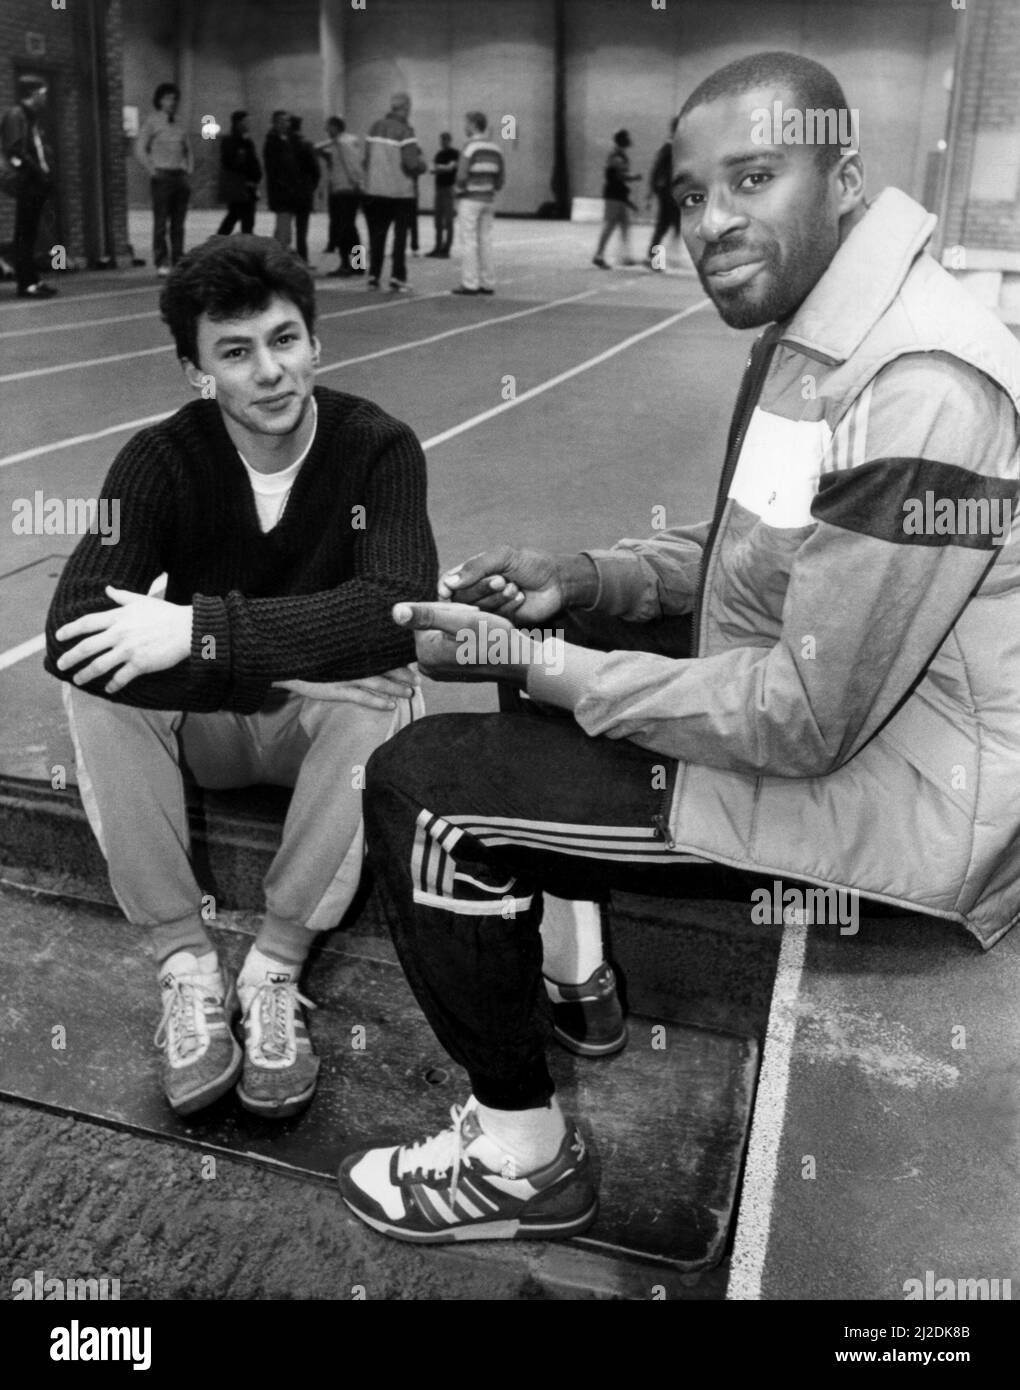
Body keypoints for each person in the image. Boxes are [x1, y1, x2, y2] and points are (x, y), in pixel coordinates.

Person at [336, 49, 1020, 1243]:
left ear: (846, 177)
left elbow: (803, 718)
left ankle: (522, 1159)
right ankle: (574, 964)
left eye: (752, 179)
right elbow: (761, 550)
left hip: (904, 798)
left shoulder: (919, 384)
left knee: (423, 791)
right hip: (846, 724)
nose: (711, 222)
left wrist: (531, 666)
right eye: (694, 193)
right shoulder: (821, 327)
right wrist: (591, 581)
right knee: (566, 615)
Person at [44, 235, 438, 1122]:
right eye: (235, 351)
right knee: (94, 681)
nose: (270, 371)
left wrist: (197, 632)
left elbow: (397, 609)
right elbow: (70, 633)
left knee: (389, 690)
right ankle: (185, 967)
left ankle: (273, 972)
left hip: (323, 737)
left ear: (316, 344)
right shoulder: (158, 461)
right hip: (215, 733)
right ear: (195, 371)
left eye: (285, 339)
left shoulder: (378, 448)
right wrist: (284, 671)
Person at [362, 91, 426, 293]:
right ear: (406, 108)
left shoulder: (374, 127)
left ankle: (373, 276)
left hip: (374, 191)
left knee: (376, 235)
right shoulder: (406, 131)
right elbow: (411, 163)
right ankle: (397, 277)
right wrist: (422, 166)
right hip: (400, 194)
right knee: (399, 238)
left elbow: (366, 159)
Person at [0, 76, 57, 299]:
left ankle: (34, 278)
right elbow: (14, 150)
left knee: (31, 233)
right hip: (28, 182)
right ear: (32, 93)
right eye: (43, 92)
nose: (45, 97)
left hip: (37, 182)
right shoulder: (16, 115)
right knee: (24, 233)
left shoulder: (31, 117)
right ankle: (26, 284)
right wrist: (37, 173)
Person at [135, 82, 192, 277]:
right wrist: (152, 169)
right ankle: (162, 262)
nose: (173, 102)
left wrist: (188, 169)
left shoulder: (180, 122)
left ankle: (179, 260)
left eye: (175, 98)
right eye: (168, 98)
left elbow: (188, 148)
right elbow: (140, 149)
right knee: (161, 223)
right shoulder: (151, 122)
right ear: (159, 100)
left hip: (179, 176)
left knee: (179, 223)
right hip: (162, 175)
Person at [451, 112, 505, 296]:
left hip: (470, 199)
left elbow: (461, 176)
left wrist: (458, 192)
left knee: (469, 241)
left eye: (466, 124)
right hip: (488, 200)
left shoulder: (469, 147)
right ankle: (488, 283)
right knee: (486, 241)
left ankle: (470, 283)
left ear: (473, 125)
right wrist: (490, 187)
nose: (464, 127)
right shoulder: (495, 148)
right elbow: (501, 179)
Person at [316, 116, 364, 276]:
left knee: (343, 229)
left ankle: (346, 264)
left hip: (345, 190)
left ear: (336, 127)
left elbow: (352, 164)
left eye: (328, 127)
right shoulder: (344, 142)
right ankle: (358, 264)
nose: (326, 130)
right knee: (350, 229)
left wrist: (356, 182)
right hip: (344, 190)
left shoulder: (342, 143)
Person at [591, 128, 641, 270]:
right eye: (626, 138)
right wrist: (634, 177)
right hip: (614, 195)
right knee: (610, 224)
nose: (629, 140)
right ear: (622, 141)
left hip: (619, 194)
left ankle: (625, 255)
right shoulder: (616, 157)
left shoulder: (620, 156)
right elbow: (620, 176)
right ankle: (599, 255)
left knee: (625, 224)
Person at [217, 111, 261, 236]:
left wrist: (256, 176)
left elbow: (253, 162)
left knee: (247, 220)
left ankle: (243, 244)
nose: (249, 124)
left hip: (249, 186)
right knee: (234, 216)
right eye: (246, 121)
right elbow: (231, 163)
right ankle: (219, 241)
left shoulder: (248, 141)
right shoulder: (229, 141)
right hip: (238, 186)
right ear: (238, 123)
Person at [645, 116, 681, 269]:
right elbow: (657, 169)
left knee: (670, 224)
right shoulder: (668, 147)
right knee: (664, 225)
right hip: (667, 192)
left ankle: (659, 256)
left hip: (673, 191)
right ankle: (654, 258)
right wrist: (652, 191)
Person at [263, 110, 301, 250]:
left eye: (287, 121)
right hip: (281, 189)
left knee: (285, 223)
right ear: (275, 123)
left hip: (290, 188)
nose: (285, 124)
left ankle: (280, 249)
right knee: (283, 222)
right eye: (282, 121)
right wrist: (283, 183)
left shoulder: (289, 140)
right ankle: (280, 250)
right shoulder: (272, 141)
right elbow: (273, 167)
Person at [289, 116, 320, 265]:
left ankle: (283, 260)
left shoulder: (282, 144)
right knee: (302, 229)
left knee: (283, 229)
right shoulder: (306, 145)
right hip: (303, 192)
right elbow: (315, 170)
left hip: (286, 191)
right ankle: (303, 258)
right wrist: (311, 186)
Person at [426, 131, 459, 258]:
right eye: (441, 140)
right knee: (438, 220)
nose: (442, 142)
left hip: (449, 188)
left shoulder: (455, 153)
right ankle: (437, 246)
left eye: (445, 140)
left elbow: (450, 168)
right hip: (439, 188)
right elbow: (432, 169)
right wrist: (442, 167)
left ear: (449, 140)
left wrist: (439, 168)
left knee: (449, 220)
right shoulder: (439, 154)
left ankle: (446, 248)